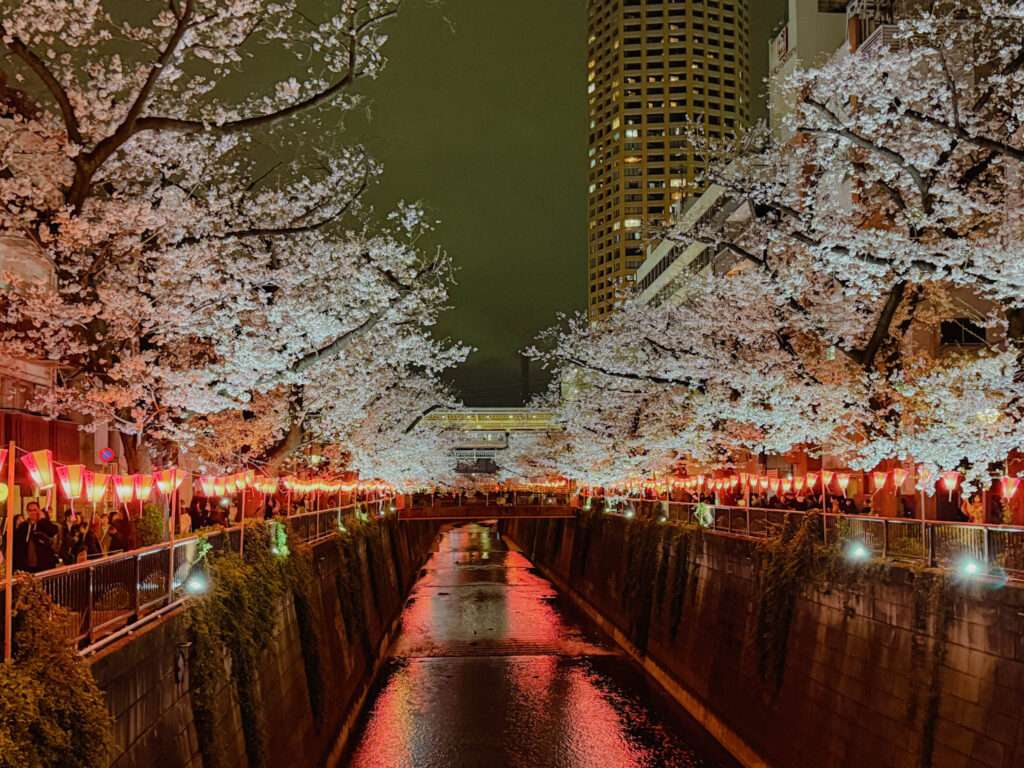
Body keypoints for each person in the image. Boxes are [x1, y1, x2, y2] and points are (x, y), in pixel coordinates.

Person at [13, 501, 60, 572]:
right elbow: (17, 545)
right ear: (27, 512)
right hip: (26, 563)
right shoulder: (23, 526)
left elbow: (53, 531)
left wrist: (42, 519)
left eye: (35, 510)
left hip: (43, 562)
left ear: (39, 510)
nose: (32, 512)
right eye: (30, 510)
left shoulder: (43, 524)